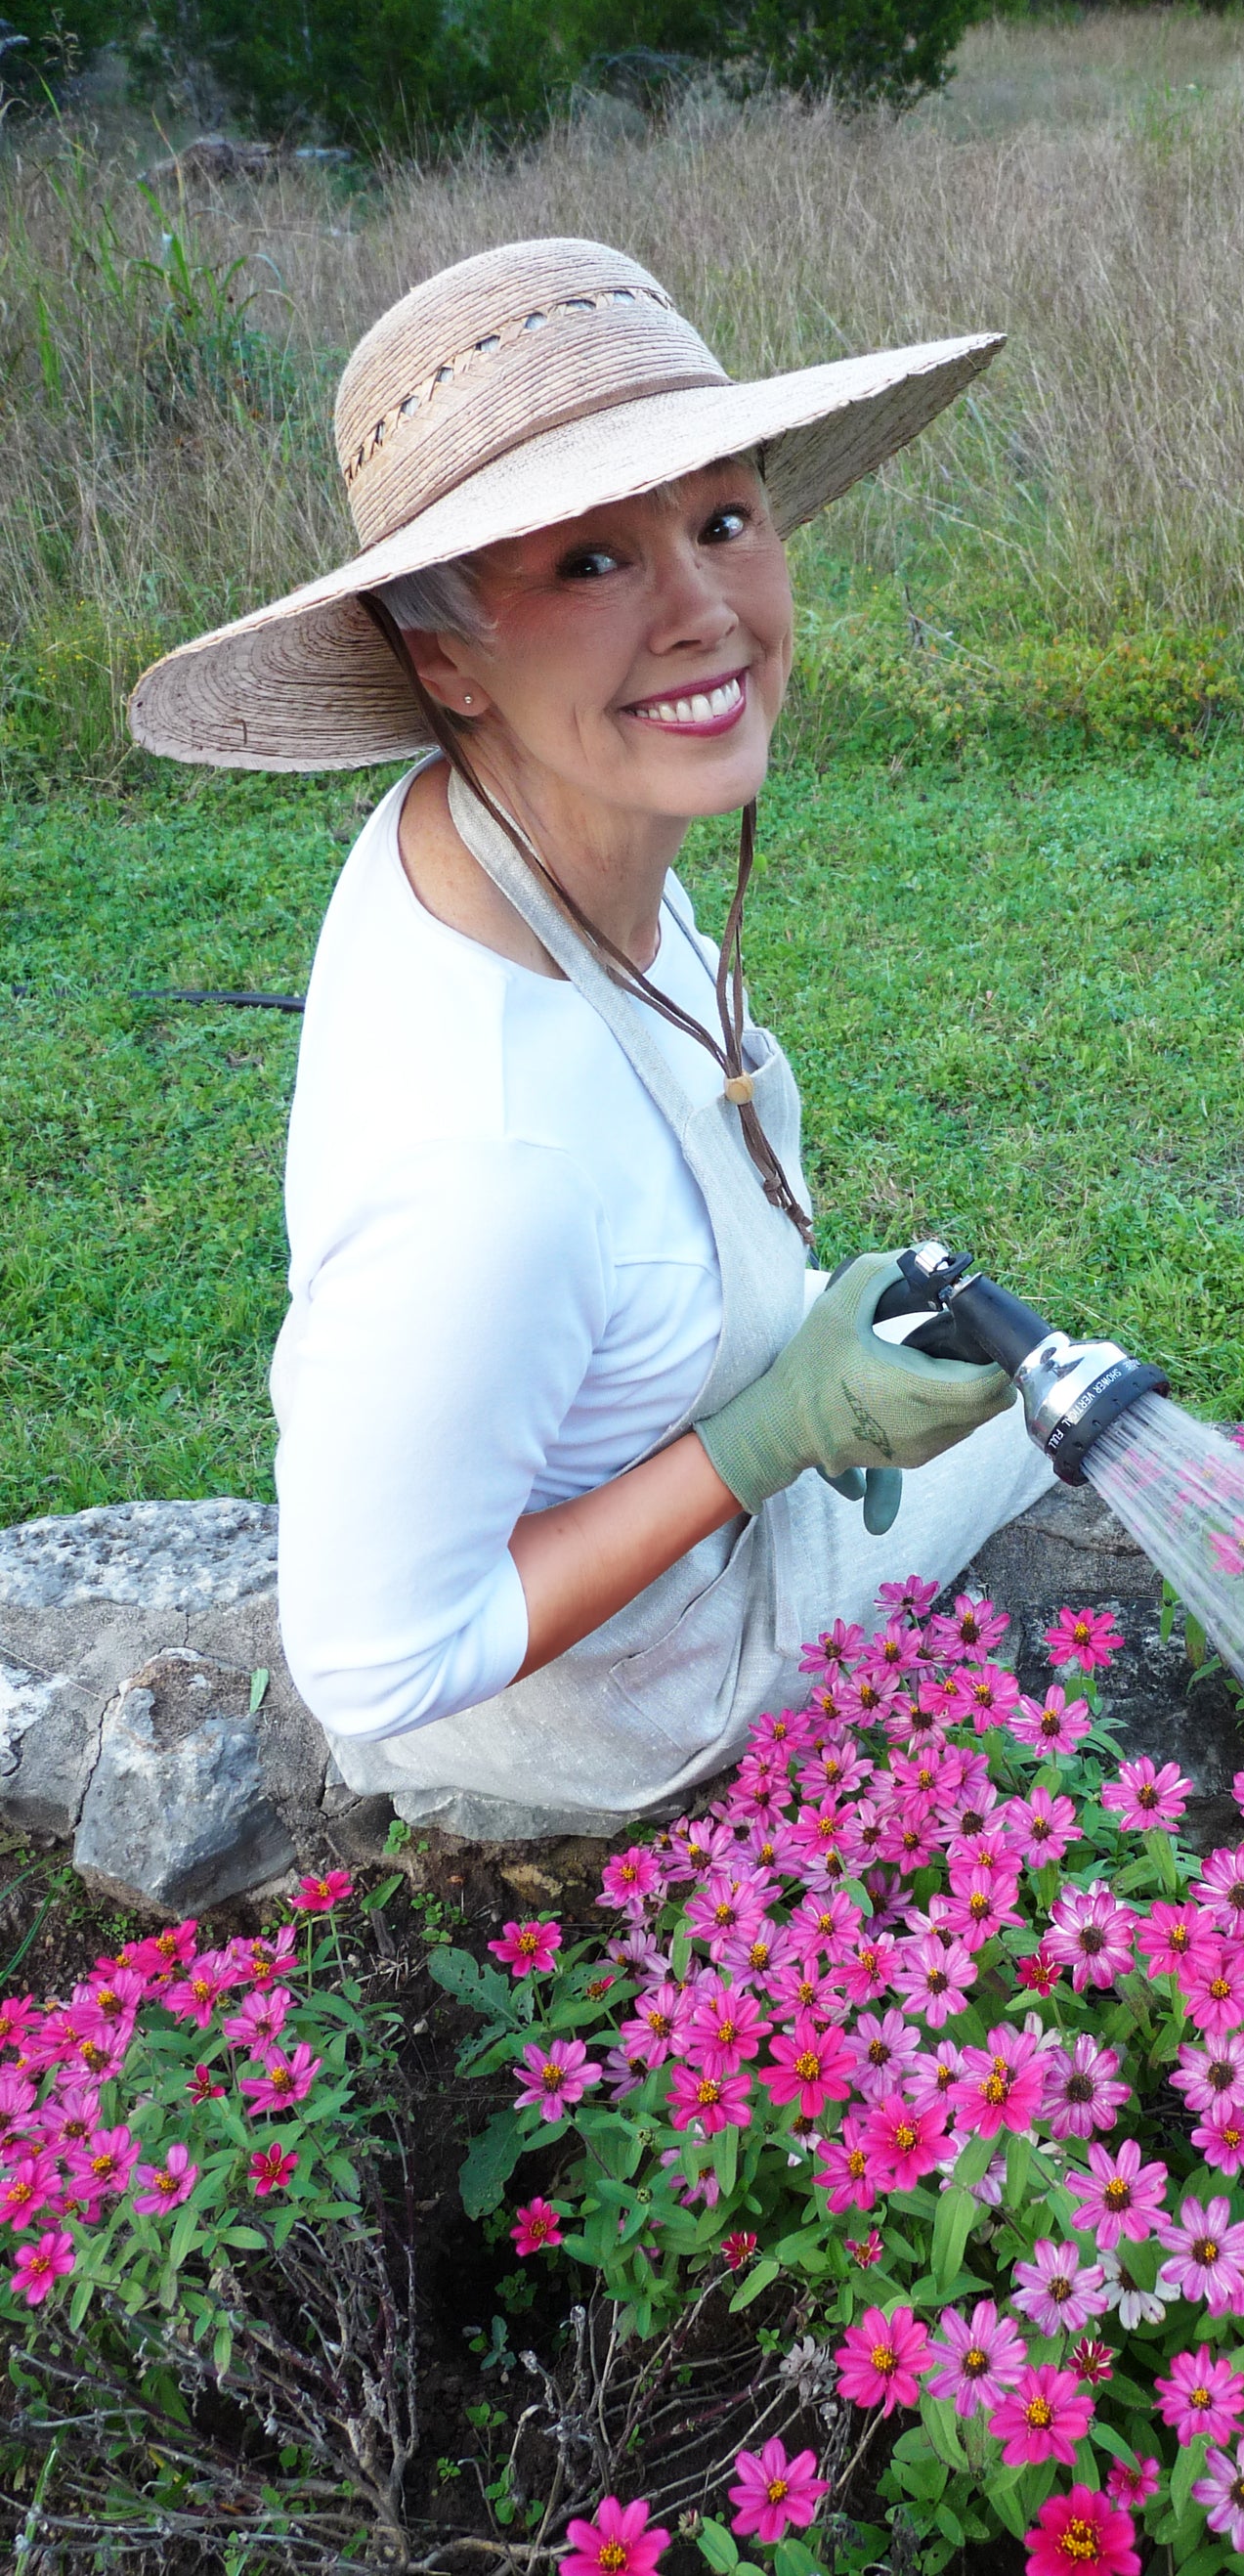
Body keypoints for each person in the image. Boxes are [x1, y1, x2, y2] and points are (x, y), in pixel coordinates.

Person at [129, 238, 1054, 1838]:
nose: (705, 610)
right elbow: (371, 1667)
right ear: (442, 657)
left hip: (680, 1536)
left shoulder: (515, 820)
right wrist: (772, 1435)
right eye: (590, 563)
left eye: (721, 519)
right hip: (624, 1687)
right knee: (1064, 1442)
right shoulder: (490, 1175)